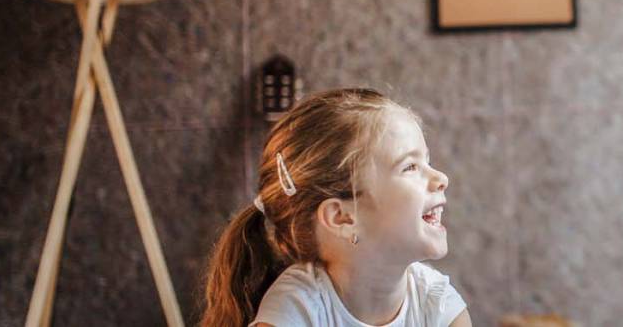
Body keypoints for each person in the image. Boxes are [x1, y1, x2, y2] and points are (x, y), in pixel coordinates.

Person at [201, 88, 471, 327]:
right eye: (410, 167)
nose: (441, 179)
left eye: (427, 161)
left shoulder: (438, 305)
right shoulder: (297, 308)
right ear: (342, 217)